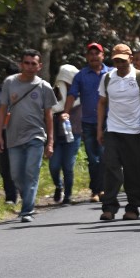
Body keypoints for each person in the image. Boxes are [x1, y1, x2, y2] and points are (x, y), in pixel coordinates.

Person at [0, 50, 55, 222]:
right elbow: (2, 109)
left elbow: (49, 115)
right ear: (21, 64)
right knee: (15, 175)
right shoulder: (9, 83)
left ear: (39, 66)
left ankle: (27, 210)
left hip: (36, 135)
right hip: (13, 136)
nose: (29, 67)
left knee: (31, 171)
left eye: (33, 63)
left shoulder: (44, 87)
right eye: (26, 63)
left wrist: (50, 142)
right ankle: (26, 196)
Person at [98, 43, 140, 221]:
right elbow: (101, 103)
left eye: (123, 60)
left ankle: (133, 207)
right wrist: (99, 129)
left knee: (133, 171)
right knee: (111, 168)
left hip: (133, 131)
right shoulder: (108, 78)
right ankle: (109, 206)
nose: (120, 64)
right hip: (113, 130)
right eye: (116, 61)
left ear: (130, 59)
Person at [66, 43, 111, 203]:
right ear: (86, 57)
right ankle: (96, 190)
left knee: (106, 156)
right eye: (90, 53)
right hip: (88, 122)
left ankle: (106, 188)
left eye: (96, 53)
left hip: (110, 121)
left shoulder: (111, 73)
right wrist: (66, 111)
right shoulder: (81, 75)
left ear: (102, 55)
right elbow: (72, 94)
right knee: (93, 159)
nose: (93, 56)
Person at [50, 64, 80, 205]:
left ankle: (67, 195)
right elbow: (48, 112)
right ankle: (59, 186)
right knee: (54, 166)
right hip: (57, 136)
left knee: (68, 166)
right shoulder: (54, 95)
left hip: (74, 135)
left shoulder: (80, 97)